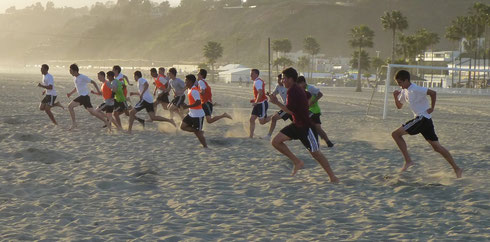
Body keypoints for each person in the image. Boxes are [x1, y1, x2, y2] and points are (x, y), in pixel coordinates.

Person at [268, 67, 338, 182]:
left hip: (306, 127)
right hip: (296, 125)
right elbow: (308, 96)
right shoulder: (297, 88)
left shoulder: (292, 90)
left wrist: (276, 102)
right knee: (276, 141)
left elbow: (290, 111)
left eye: (284, 78)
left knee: (316, 154)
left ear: (291, 79)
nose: (282, 81)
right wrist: (305, 106)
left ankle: (333, 177)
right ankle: (297, 161)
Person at [392, 70, 462, 178]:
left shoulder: (416, 88)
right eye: (398, 84)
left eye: (400, 83)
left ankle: (408, 161)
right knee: (437, 147)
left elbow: (433, 93)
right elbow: (399, 106)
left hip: (422, 118)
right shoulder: (404, 91)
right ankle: (457, 169)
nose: (400, 86)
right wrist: (395, 97)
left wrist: (432, 108)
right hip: (425, 120)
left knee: (396, 134)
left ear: (406, 80)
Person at [66, 64, 109, 130]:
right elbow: (77, 88)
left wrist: (98, 91)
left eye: (70, 70)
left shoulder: (83, 77)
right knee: (93, 112)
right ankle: (106, 121)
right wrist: (70, 93)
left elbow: (93, 82)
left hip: (84, 96)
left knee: (70, 106)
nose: (69, 71)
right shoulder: (75, 78)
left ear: (74, 71)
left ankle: (74, 123)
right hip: (84, 97)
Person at [297, 76, 334, 147]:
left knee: (318, 128)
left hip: (314, 111)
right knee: (311, 127)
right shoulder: (300, 90)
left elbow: (320, 94)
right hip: (307, 111)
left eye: (299, 84)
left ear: (303, 82)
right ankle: (319, 142)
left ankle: (328, 142)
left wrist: (313, 101)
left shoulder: (310, 88)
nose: (299, 86)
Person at [181, 74, 208, 148]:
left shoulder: (194, 90)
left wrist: (187, 106)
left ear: (190, 81)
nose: (185, 82)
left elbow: (198, 102)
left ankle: (205, 146)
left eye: (186, 80)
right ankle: (198, 131)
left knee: (198, 134)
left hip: (198, 115)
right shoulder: (189, 89)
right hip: (191, 114)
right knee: (183, 126)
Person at [264, 74, 291, 140]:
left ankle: (269, 135)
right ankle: (269, 135)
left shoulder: (288, 86)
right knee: (274, 118)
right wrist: (269, 95)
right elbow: (273, 95)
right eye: (277, 80)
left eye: (279, 80)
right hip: (285, 107)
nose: (278, 81)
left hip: (289, 107)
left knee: (274, 118)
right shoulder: (278, 87)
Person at [249, 69, 270, 138]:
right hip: (258, 103)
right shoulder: (256, 81)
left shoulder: (257, 82)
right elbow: (259, 94)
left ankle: (275, 116)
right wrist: (254, 100)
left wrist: (256, 102)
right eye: (250, 74)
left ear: (256, 75)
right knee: (252, 119)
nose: (250, 75)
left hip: (262, 104)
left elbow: (260, 93)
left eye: (252, 74)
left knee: (262, 122)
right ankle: (251, 136)